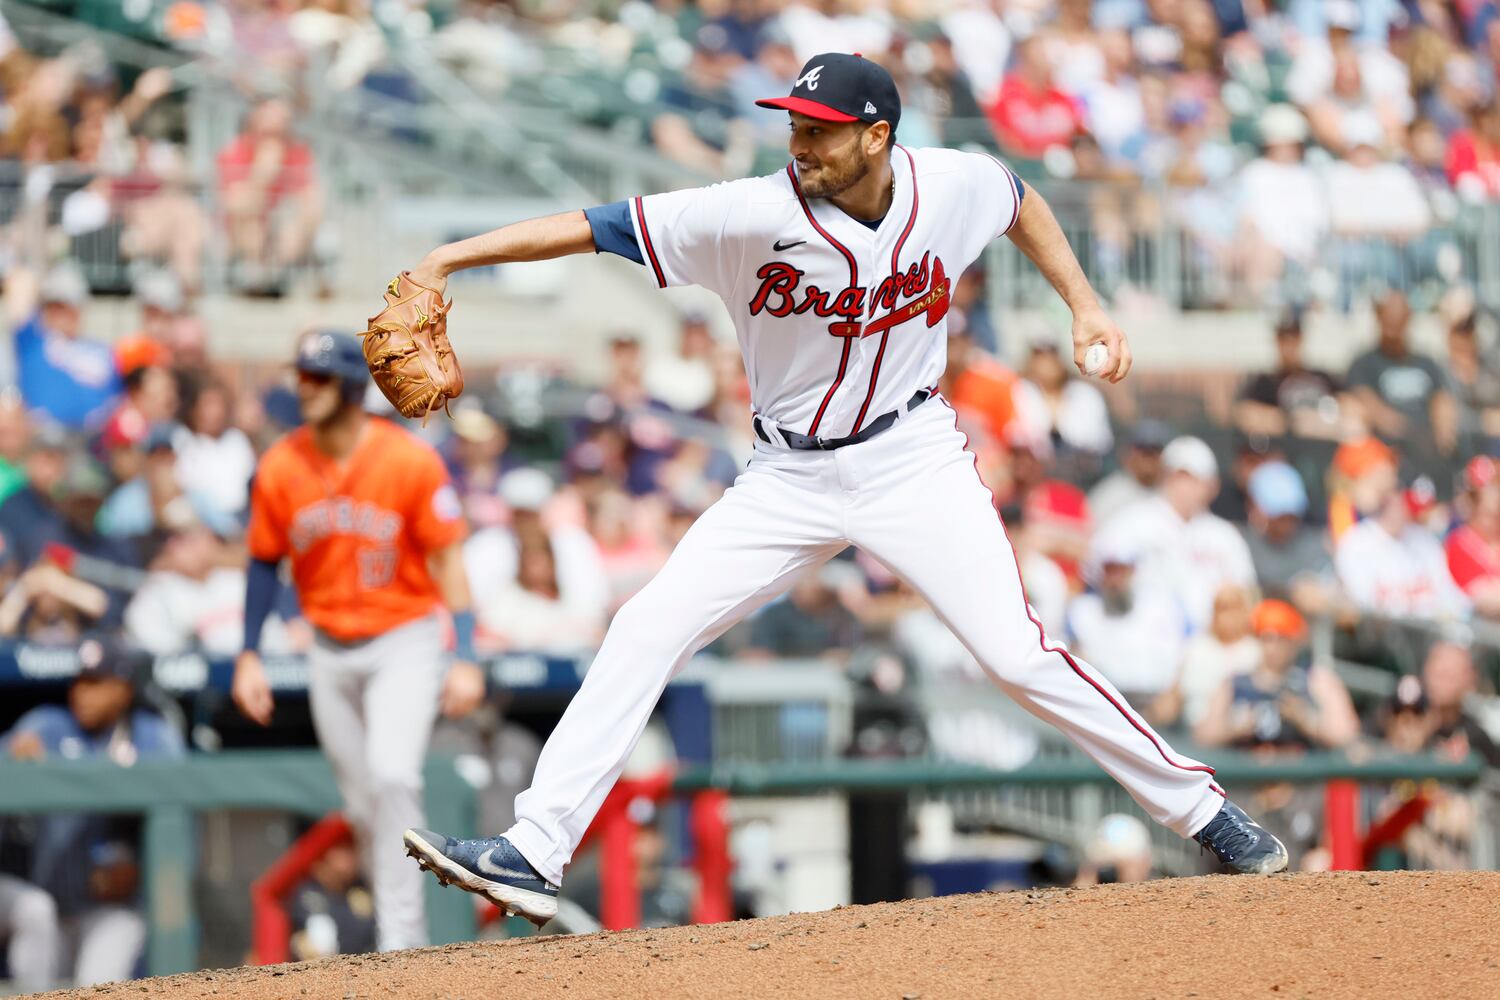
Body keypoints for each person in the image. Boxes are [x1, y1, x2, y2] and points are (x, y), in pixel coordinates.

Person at [401, 52, 1289, 928]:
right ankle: (534, 850)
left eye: (820, 132)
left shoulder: (951, 185)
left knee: (1015, 654)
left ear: (877, 137)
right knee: (646, 624)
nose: (800, 143)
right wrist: (449, 259)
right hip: (786, 475)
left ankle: (1207, 816)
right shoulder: (743, 213)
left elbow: (1021, 202)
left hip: (913, 458)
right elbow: (592, 225)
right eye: (793, 125)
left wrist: (1085, 305)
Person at [231, 331, 486, 951]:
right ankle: (395, 928)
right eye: (302, 376)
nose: (305, 388)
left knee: (395, 775)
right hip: (328, 647)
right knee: (366, 804)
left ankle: (402, 943)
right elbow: (264, 562)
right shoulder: (281, 465)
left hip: (404, 639)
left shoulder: (408, 460)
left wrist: (467, 653)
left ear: (349, 386)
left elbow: (448, 560)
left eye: (318, 378)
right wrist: (248, 654)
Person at [2, 637, 184, 986]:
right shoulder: (47, 725)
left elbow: (182, 824)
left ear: (124, 689)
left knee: (98, 982)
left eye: (96, 683)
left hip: (114, 910)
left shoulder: (153, 738)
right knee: (35, 933)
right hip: (52, 903)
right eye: (80, 681)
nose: (82, 693)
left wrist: (143, 871)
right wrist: (13, 759)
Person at [1100, 436, 1257, 632]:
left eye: (1193, 479)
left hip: (1207, 643)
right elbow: (1103, 580)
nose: (1184, 487)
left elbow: (1245, 594)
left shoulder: (1225, 535)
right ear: (1164, 477)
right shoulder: (1130, 522)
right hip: (1140, 638)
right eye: (1178, 477)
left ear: (1212, 486)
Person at [1194, 600, 1359, 751]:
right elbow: (1203, 735)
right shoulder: (1235, 682)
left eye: (1281, 638)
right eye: (1267, 638)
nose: (1273, 647)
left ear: (1294, 641)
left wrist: (1305, 719)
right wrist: (1237, 727)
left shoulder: (1316, 679)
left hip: (1300, 775)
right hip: (1247, 775)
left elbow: (1345, 734)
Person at [1065, 533, 1189, 710]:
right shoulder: (1082, 612)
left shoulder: (1162, 606)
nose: (1116, 579)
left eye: (1122, 570)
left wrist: (1171, 695)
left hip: (1157, 702)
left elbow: (1184, 653)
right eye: (1110, 570)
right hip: (1105, 703)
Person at [7, 264, 122, 430]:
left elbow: (115, 399)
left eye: (66, 307)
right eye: (53, 307)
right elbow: (20, 283)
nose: (60, 315)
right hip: (42, 441)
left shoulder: (103, 352)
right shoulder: (32, 342)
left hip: (90, 442)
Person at [1345, 290, 1457, 454]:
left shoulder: (1426, 362)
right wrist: (1413, 434)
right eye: (1389, 315)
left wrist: (1444, 429)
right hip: (1389, 446)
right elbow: (1372, 409)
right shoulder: (1364, 364)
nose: (1394, 321)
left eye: (1399, 316)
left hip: (1430, 442)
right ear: (1379, 317)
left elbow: (1441, 399)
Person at [1154, 584, 1260, 729]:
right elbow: (1174, 694)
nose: (1229, 616)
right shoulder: (1196, 646)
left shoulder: (1257, 650)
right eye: (1223, 609)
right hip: (1192, 733)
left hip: (1237, 736)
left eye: (1235, 608)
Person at [1233, 310, 1348, 441]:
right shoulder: (1265, 382)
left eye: (1293, 338)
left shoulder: (1321, 377)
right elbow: (1244, 414)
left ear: (1301, 339)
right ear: (1277, 341)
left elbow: (1352, 408)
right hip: (1285, 451)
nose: (1289, 346)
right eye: (1284, 339)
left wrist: (1321, 420)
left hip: (1325, 445)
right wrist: (1291, 421)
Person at [1240, 461, 1339, 613]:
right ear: (1253, 506)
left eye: (1291, 515)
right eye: (1279, 516)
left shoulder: (1316, 545)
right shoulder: (1239, 544)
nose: (1286, 522)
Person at [1086, 419, 1172, 524]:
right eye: (1144, 451)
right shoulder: (1111, 494)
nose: (1148, 459)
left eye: (1155, 452)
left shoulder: (1170, 494)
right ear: (1130, 454)